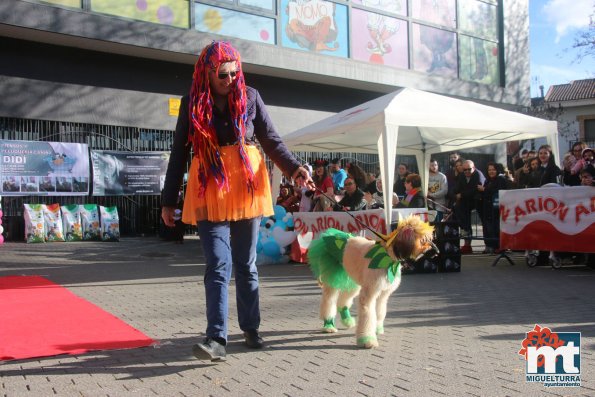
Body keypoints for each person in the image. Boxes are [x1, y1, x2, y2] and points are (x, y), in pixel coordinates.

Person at [161, 41, 312, 362]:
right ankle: (216, 337)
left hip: (246, 182)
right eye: (222, 74)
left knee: (245, 263)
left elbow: (271, 139)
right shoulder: (191, 103)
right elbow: (178, 154)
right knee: (217, 262)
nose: (230, 79)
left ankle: (251, 328)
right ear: (207, 73)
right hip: (209, 184)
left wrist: (296, 169)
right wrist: (168, 200)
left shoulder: (251, 96)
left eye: (234, 72)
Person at [454, 159, 485, 254]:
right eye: (465, 169)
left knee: (486, 224)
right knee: (462, 219)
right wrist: (455, 194)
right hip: (465, 203)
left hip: (479, 202)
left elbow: (475, 190)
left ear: (474, 168)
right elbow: (457, 188)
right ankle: (467, 244)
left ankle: (490, 245)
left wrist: (461, 195)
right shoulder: (462, 175)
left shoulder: (478, 175)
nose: (467, 171)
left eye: (469, 169)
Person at [477, 162, 510, 254]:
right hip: (487, 208)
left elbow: (498, 191)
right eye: (489, 170)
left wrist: (485, 190)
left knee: (496, 227)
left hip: (497, 208)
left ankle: (499, 246)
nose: (491, 172)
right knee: (488, 228)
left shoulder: (501, 179)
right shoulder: (487, 180)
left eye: (493, 170)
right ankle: (489, 245)